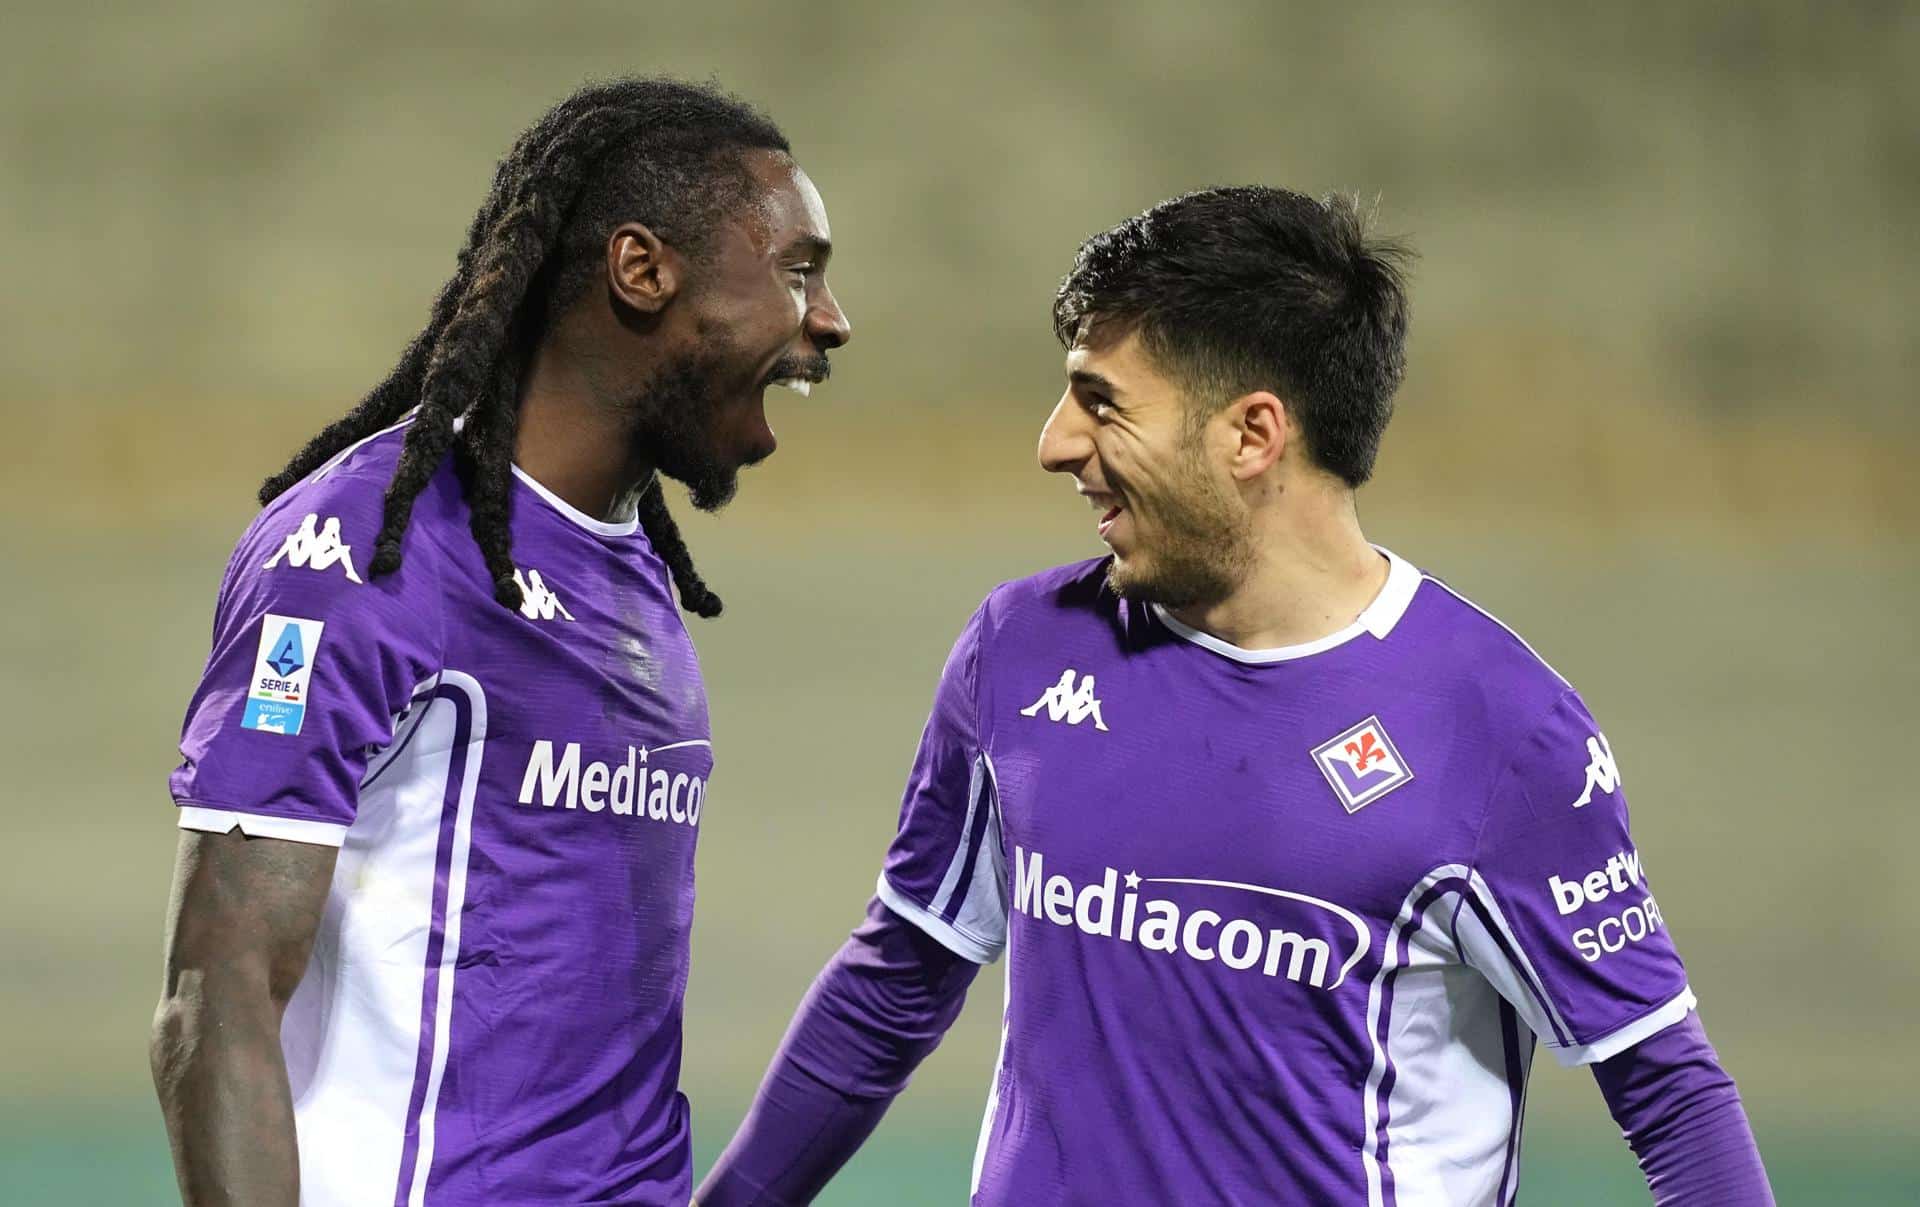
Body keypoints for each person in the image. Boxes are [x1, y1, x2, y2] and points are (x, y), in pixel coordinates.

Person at [697, 188, 1771, 1204]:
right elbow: (898, 977)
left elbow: (1667, 1093)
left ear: (1254, 434)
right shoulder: (1021, 652)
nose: (1053, 444)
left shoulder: (1496, 728)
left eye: (1101, 403)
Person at [150, 77, 850, 1207]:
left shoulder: (634, 577)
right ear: (642, 270)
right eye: (798, 269)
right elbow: (215, 993)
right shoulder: (367, 553)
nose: (830, 319)